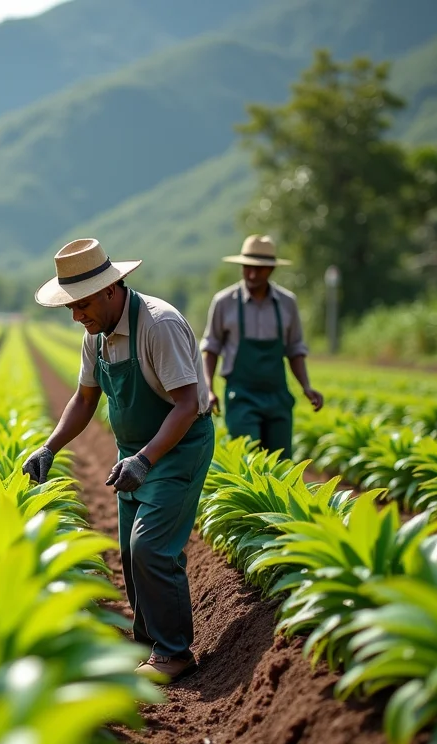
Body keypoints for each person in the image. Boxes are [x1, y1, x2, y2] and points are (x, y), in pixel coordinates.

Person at [21, 238, 214, 683]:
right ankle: (148, 645)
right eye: (70, 307)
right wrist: (49, 447)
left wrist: (146, 460)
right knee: (131, 554)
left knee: (150, 548)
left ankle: (175, 652)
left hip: (177, 447)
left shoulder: (158, 325)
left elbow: (186, 406)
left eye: (82, 304)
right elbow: (85, 398)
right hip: (135, 452)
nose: (76, 315)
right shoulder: (99, 334)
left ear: (112, 289)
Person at [200, 234, 322, 458]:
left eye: (260, 269)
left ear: (272, 270)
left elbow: (295, 349)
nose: (252, 274)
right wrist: (208, 389)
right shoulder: (224, 302)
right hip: (241, 395)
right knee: (248, 459)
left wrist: (306, 386)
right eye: (247, 267)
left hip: (277, 395)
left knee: (281, 462)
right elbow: (211, 348)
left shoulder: (287, 303)